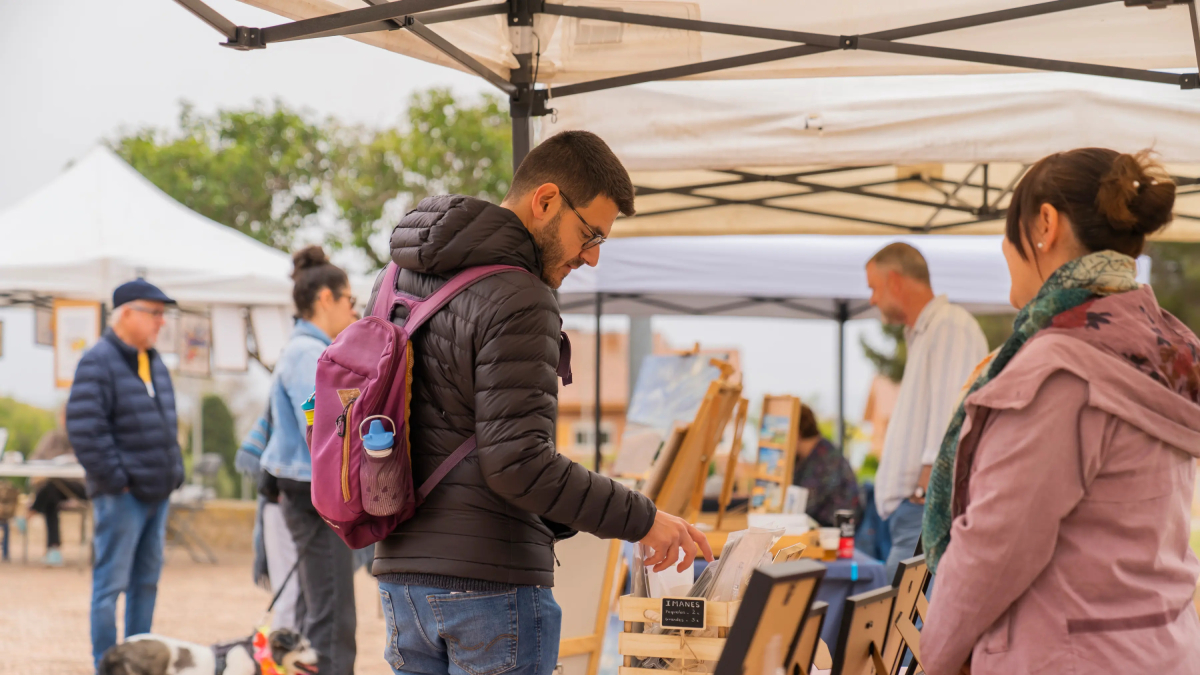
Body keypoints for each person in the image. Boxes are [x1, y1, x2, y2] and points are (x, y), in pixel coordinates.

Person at [372, 130, 712, 675]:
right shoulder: (522, 295)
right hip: (491, 585)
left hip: (402, 579)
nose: (593, 257)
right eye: (590, 234)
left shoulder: (395, 279)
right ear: (546, 200)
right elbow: (519, 464)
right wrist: (643, 519)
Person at [921, 149, 1200, 675]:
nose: (1004, 248)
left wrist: (934, 659)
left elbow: (991, 552)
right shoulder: (1162, 347)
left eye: (1008, 231)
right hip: (1161, 649)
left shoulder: (1060, 367)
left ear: (1044, 224)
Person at [67, 278, 184, 671]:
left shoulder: (153, 361)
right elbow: (86, 430)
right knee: (110, 587)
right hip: (123, 496)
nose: (161, 322)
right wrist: (120, 480)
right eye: (155, 313)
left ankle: (139, 664)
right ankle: (106, 665)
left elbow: (167, 424)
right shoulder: (97, 361)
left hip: (157, 492)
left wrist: (174, 472)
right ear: (127, 313)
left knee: (146, 584)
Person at [259, 246, 360, 675]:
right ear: (326, 299)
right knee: (331, 618)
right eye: (350, 301)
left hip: (302, 493)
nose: (354, 311)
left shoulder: (303, 347)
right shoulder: (306, 353)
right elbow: (326, 428)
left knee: (319, 611)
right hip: (311, 496)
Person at [865, 243, 988, 581]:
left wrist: (922, 495)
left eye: (874, 288)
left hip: (921, 513)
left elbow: (950, 423)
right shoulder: (930, 329)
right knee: (897, 626)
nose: (872, 299)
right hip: (913, 513)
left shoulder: (949, 326)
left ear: (895, 280)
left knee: (900, 628)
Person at [27, 408, 88, 566]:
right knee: (51, 494)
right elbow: (34, 458)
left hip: (80, 486)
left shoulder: (84, 437)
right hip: (56, 489)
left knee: (51, 485)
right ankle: (54, 549)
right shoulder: (52, 437)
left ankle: (30, 512)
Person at [790, 404, 859, 528]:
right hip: (818, 529)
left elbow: (804, 506)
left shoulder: (826, 459)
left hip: (834, 533)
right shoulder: (806, 457)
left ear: (797, 431)